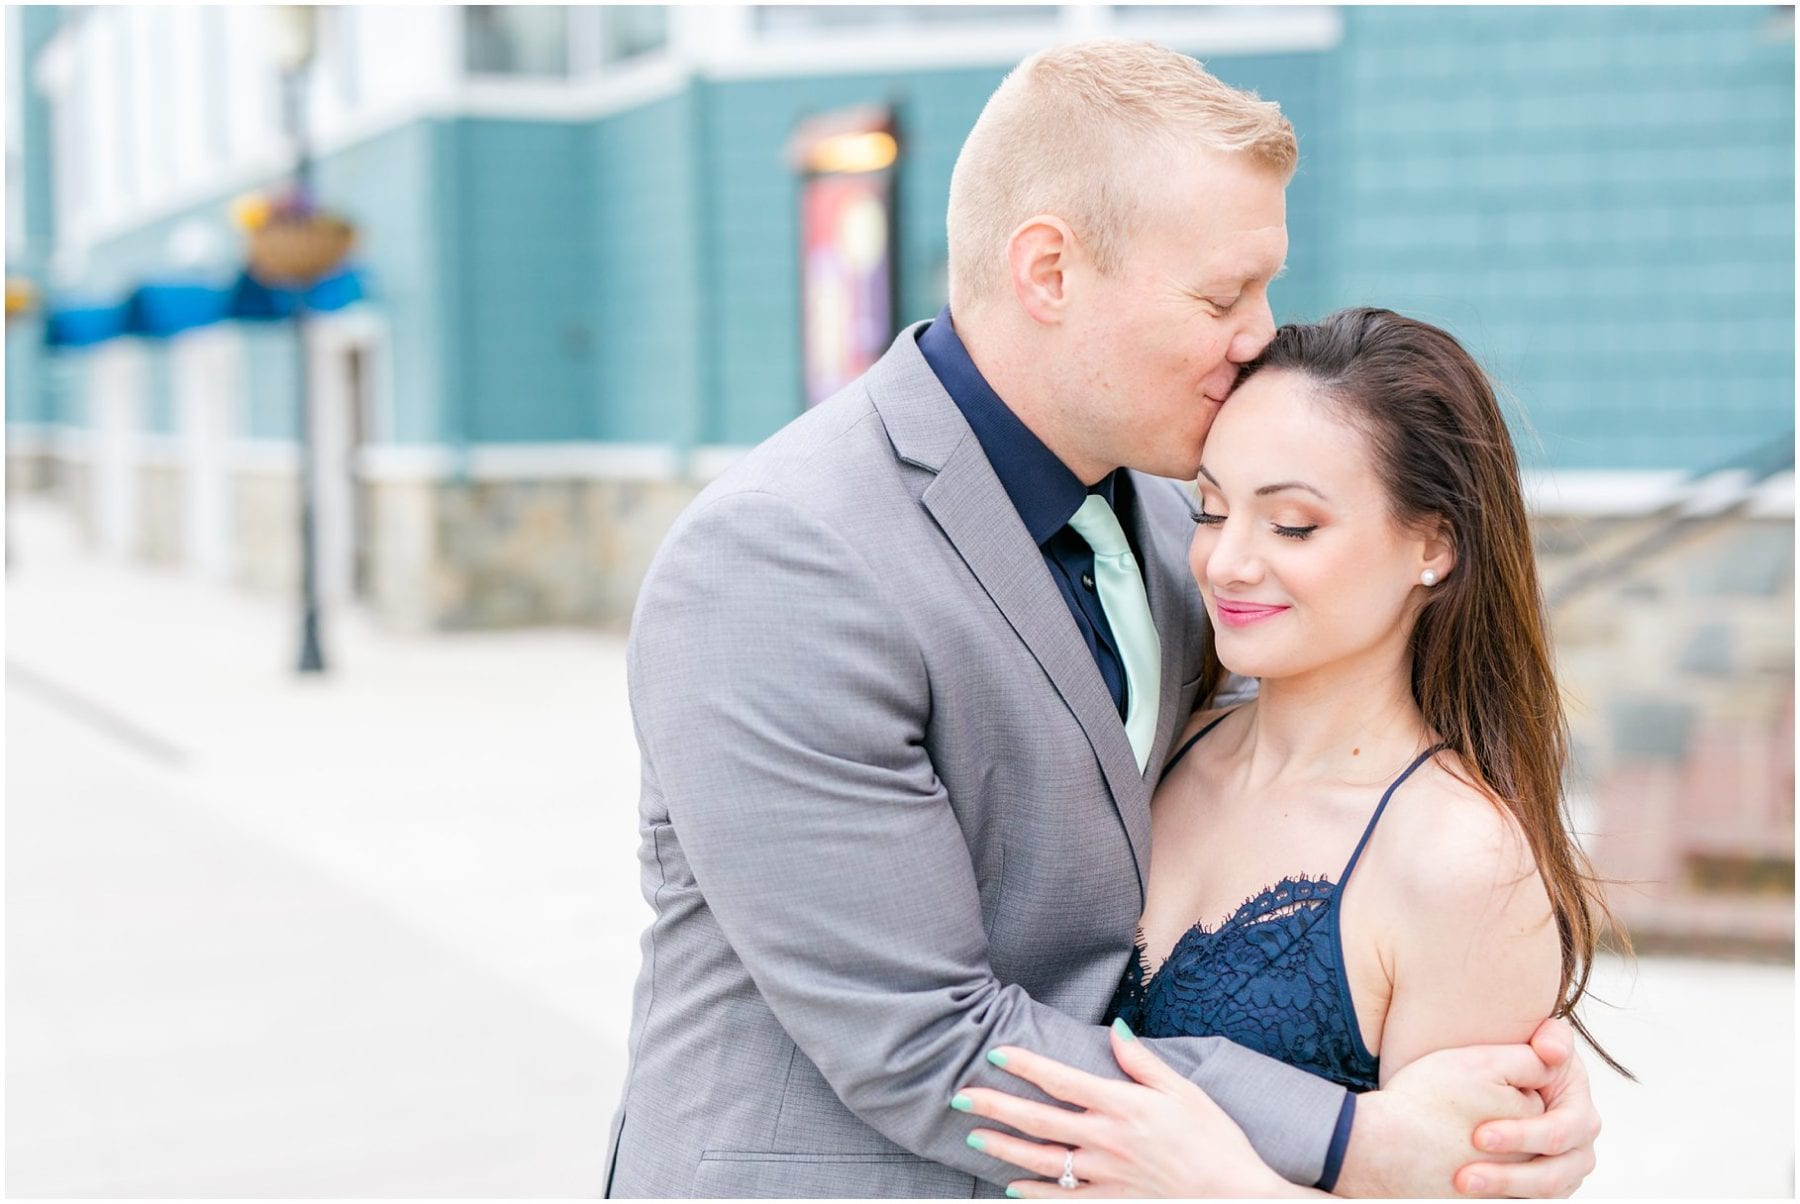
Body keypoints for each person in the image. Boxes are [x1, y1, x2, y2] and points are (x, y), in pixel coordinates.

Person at [605, 42, 1600, 1198]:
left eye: (1267, 287)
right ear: (1049, 271)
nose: (1259, 334)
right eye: (1224, 295)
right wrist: (1356, 1140)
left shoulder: (1188, 521)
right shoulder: (784, 558)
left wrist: (1500, 1098)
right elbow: (920, 1042)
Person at [949, 308, 1630, 1197]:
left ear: (1434, 543)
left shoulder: (1461, 864)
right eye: (1213, 509)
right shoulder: (1162, 745)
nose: (1227, 562)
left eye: (1293, 526)